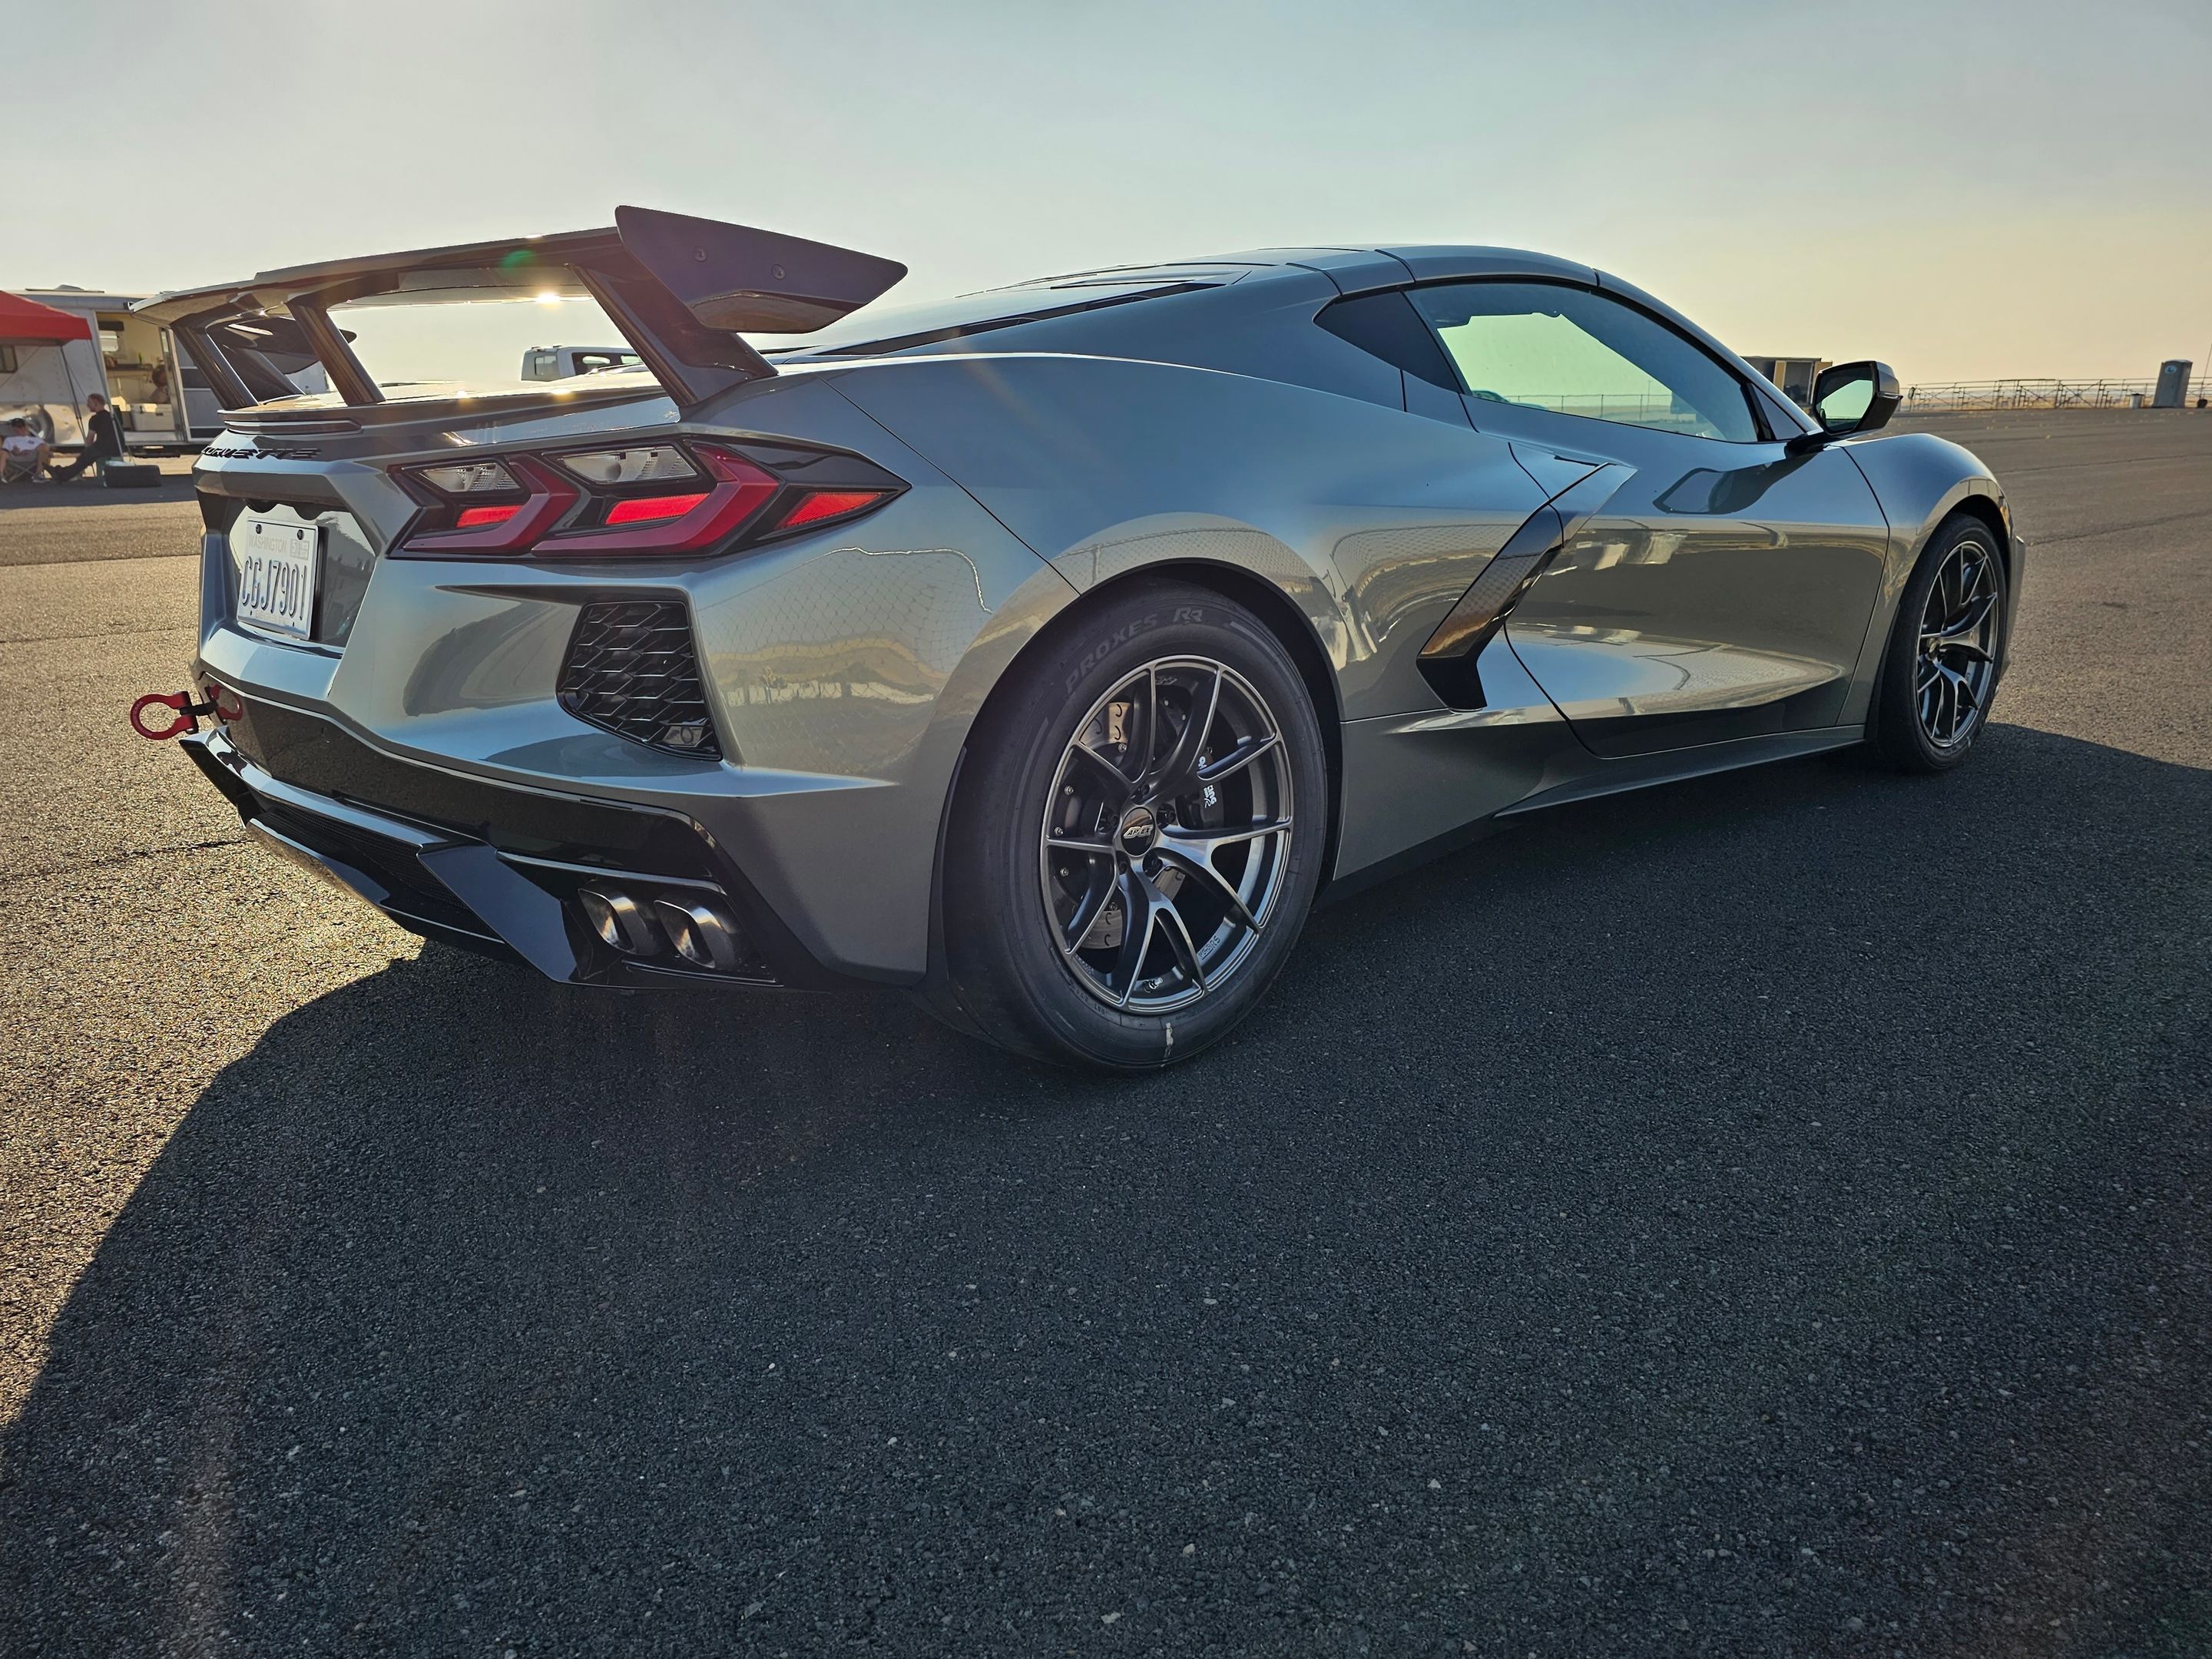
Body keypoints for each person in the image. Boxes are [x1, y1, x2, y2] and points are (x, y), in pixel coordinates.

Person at [48, 393, 126, 482]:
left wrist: (87, 452)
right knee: (86, 457)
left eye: (89, 402)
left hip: (103, 448)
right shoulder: (112, 417)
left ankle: (61, 475)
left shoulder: (95, 419)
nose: (87, 405)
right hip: (118, 447)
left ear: (96, 403)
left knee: (82, 459)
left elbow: (90, 439)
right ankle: (61, 472)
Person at [2, 417, 51, 485]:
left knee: (44, 447)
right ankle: (1, 475)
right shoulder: (9, 439)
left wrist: (30, 451)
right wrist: (15, 452)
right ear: (14, 428)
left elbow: (45, 450)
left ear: (27, 427)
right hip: (15, 458)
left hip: (33, 456)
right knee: (2, 453)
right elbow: (5, 451)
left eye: (23, 425)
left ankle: (38, 474)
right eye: (19, 426)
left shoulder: (36, 439)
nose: (22, 428)